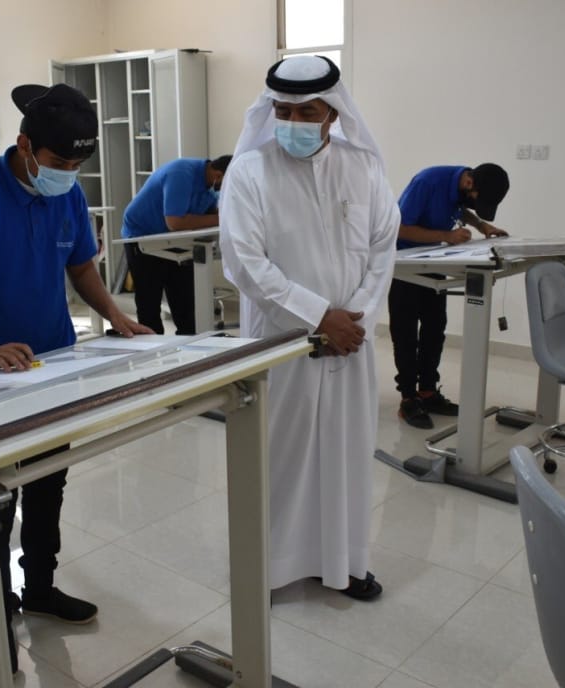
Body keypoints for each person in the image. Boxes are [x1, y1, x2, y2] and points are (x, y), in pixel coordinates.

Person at [0, 83, 150, 671]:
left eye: (77, 167)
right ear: (24, 145)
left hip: (53, 365)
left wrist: (117, 316)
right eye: (58, 163)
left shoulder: (67, 193)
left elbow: (82, 267)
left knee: (48, 484)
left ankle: (41, 588)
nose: (67, 175)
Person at [219, 55, 399, 600]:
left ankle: (342, 563)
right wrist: (319, 318)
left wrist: (354, 319)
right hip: (281, 341)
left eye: (307, 111)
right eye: (283, 110)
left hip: (350, 343)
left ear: (333, 113)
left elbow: (382, 250)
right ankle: (268, 569)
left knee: (346, 453)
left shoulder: (363, 168)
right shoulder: (249, 171)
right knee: (280, 455)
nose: (293, 121)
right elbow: (245, 261)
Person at [388, 164, 510, 429]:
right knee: (406, 333)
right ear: (469, 184)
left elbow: (461, 209)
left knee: (434, 329)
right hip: (404, 265)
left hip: (432, 260)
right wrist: (447, 236)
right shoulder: (427, 182)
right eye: (477, 200)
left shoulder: (461, 187)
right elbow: (400, 228)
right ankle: (408, 399)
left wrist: (482, 225)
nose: (474, 205)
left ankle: (428, 392)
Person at [121, 155, 231, 334]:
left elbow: (210, 214)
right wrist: (222, 218)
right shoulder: (181, 173)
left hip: (176, 241)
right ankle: (152, 346)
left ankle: (190, 345)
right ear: (219, 175)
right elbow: (175, 222)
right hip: (143, 237)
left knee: (186, 304)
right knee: (149, 303)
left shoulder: (210, 187)